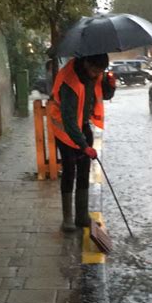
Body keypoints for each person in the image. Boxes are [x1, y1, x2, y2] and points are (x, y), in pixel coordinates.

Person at [47, 53, 116, 231]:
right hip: (64, 129)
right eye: (95, 71)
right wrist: (84, 146)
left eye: (100, 71)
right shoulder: (69, 82)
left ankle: (82, 215)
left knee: (84, 169)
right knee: (70, 170)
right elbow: (69, 122)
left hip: (83, 123)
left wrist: (110, 84)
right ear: (86, 63)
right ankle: (67, 218)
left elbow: (103, 95)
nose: (96, 75)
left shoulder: (95, 73)